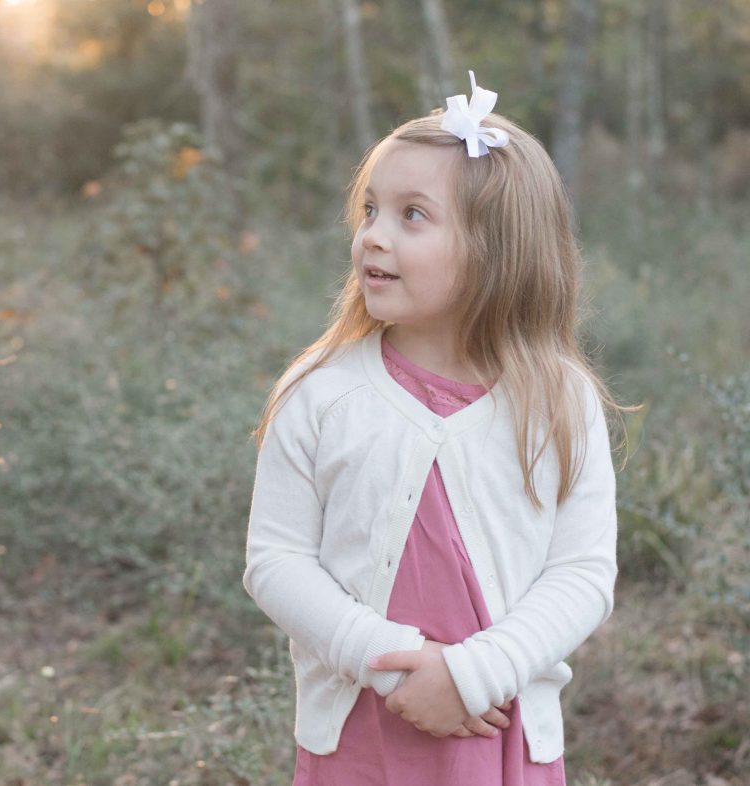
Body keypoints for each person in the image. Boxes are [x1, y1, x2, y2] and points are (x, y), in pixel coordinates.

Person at [242, 71, 633, 785]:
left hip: (495, 724)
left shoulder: (558, 400)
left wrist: (475, 673)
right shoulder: (321, 392)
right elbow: (276, 562)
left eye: (411, 215)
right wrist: (389, 666)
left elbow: (582, 573)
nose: (374, 237)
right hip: (363, 732)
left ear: (496, 249)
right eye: (370, 210)